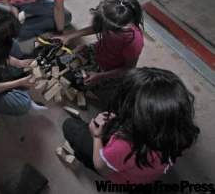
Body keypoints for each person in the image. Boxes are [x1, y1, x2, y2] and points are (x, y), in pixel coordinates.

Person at [62, 67, 200, 184]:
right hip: (143, 172)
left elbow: (101, 168)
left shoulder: (124, 145)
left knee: (69, 126)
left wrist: (96, 136)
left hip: (122, 177)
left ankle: (82, 154)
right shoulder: (181, 131)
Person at [55, 0, 144, 87]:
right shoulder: (114, 19)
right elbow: (96, 27)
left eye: (105, 27)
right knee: (61, 60)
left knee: (76, 82)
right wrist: (69, 36)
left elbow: (128, 69)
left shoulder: (134, 42)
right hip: (97, 50)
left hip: (109, 69)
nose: (102, 29)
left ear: (114, 28)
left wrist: (100, 76)